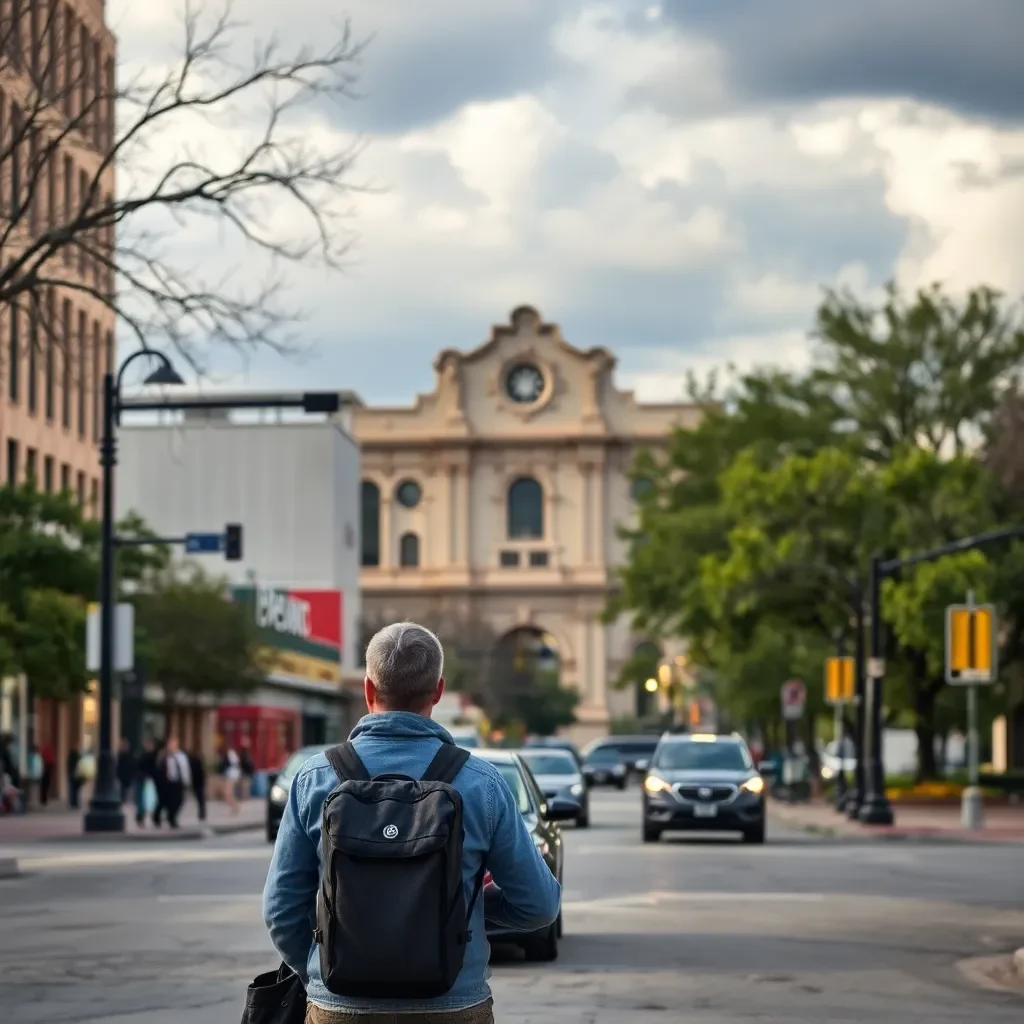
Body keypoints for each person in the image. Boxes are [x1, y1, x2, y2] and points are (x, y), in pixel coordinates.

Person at [263, 621, 561, 1023]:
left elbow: (282, 910)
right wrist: (459, 907)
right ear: (438, 691)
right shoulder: (481, 784)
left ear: (368, 689)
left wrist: (320, 975)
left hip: (340, 1009)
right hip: (453, 1005)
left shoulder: (315, 778)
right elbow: (540, 906)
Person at [158, 736, 191, 829]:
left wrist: (186, 781)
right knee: (170, 802)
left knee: (180, 801)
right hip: (169, 782)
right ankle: (172, 819)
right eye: (170, 744)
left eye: (174, 743)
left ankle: (172, 816)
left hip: (179, 781)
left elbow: (185, 769)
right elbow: (160, 769)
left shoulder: (181, 756)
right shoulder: (164, 756)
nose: (172, 745)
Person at [135, 737, 157, 826]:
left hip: (146, 779)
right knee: (143, 800)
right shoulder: (145, 755)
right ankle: (141, 817)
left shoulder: (146, 755)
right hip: (144, 779)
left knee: (146, 799)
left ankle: (141, 818)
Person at [218, 743, 241, 813]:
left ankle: (235, 807)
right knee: (228, 794)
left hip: (231, 776)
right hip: (231, 776)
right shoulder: (231, 755)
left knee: (228, 793)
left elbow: (231, 764)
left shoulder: (230, 754)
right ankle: (234, 807)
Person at [188, 748, 207, 822]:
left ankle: (202, 814)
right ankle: (202, 814)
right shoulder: (197, 762)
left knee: (200, 800)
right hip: (198, 783)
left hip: (197, 783)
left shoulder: (194, 762)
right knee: (201, 800)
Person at [116, 739, 136, 804]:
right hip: (122, 776)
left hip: (128, 776)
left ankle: (126, 801)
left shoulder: (129, 756)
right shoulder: (120, 755)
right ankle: (124, 801)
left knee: (127, 790)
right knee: (123, 790)